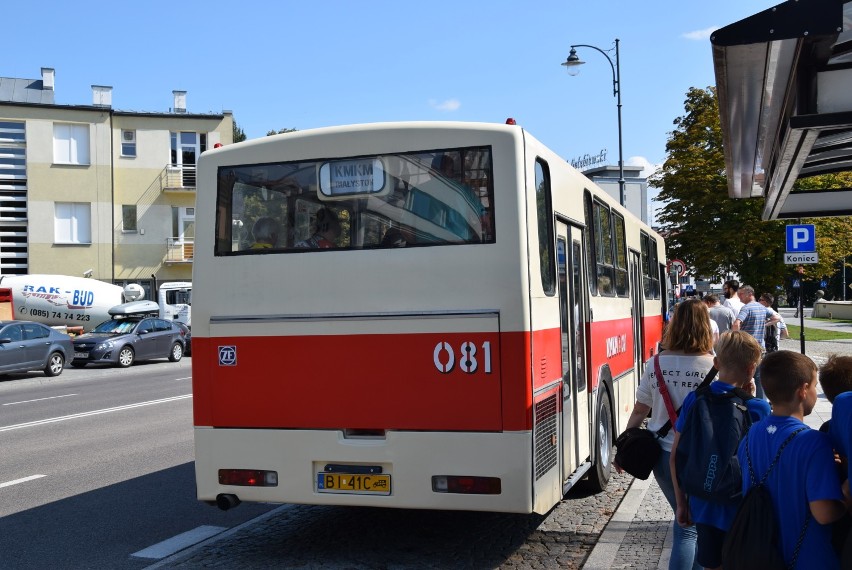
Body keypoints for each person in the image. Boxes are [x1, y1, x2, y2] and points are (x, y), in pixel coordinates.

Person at [615, 298, 715, 570]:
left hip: (663, 456)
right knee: (694, 526)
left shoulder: (656, 363)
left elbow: (640, 410)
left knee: (684, 522)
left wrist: (623, 446)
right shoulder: (715, 366)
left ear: (674, 325)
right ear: (706, 326)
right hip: (704, 458)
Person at [670, 331, 771, 570]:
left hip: (702, 502)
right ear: (752, 368)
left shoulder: (695, 399)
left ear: (716, 362)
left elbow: (676, 456)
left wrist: (682, 503)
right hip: (741, 506)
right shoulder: (757, 407)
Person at [738, 351, 848, 569]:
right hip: (809, 558)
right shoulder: (815, 443)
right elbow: (824, 513)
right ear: (803, 390)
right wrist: (846, 495)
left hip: (762, 555)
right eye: (815, 386)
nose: (817, 393)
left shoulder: (751, 434)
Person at [732, 285, 780, 399]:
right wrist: (765, 324)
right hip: (760, 347)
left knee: (744, 376)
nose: (739, 296)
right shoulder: (762, 307)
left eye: (741, 294)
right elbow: (777, 317)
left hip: (746, 347)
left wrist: (736, 340)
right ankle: (761, 402)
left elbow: (736, 323)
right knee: (759, 376)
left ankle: (744, 401)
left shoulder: (746, 308)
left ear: (750, 294)